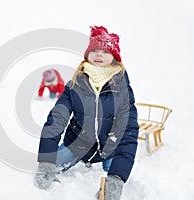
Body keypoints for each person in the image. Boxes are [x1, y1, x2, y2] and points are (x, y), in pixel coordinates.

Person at [34, 26, 139, 200]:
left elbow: (128, 132)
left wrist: (117, 177)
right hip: (76, 145)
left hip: (110, 149)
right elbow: (56, 121)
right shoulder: (74, 85)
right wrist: (46, 160)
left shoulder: (123, 91)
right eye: (95, 50)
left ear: (114, 58)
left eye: (105, 51)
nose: (99, 54)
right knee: (50, 166)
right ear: (87, 55)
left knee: (117, 172)